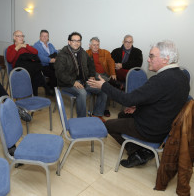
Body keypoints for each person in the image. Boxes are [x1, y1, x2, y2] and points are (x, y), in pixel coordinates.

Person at [87, 40, 189, 168]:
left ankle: (139, 152)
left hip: (151, 129)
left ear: (165, 58)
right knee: (122, 114)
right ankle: (141, 150)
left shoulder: (161, 79)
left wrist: (104, 86)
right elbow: (162, 101)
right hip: (165, 126)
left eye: (151, 56)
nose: (148, 59)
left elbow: (127, 99)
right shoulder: (182, 75)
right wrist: (137, 107)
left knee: (108, 125)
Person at [54, 32, 107, 120]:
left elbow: (91, 64)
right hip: (67, 83)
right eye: (74, 40)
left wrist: (91, 75)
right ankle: (82, 120)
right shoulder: (62, 55)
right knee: (82, 93)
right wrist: (73, 82)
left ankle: (97, 114)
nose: (76, 43)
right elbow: (59, 73)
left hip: (84, 81)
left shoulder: (82, 52)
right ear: (69, 42)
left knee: (103, 88)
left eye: (78, 41)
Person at [6, 30, 46, 96]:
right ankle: (41, 88)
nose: (21, 38)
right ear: (14, 38)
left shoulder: (26, 46)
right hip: (19, 67)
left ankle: (34, 94)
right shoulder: (11, 48)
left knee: (35, 71)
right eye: (19, 36)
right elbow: (9, 60)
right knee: (36, 70)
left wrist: (25, 46)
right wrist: (17, 48)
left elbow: (36, 52)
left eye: (22, 36)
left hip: (29, 66)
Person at [86, 37, 116, 117]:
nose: (96, 47)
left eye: (97, 45)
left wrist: (113, 73)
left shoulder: (105, 52)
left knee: (104, 83)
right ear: (90, 45)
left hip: (104, 74)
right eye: (94, 45)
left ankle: (105, 109)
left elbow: (111, 62)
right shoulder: (86, 53)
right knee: (100, 79)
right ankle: (104, 110)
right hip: (93, 76)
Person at [33, 30, 58, 94]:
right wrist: (50, 60)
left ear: (48, 37)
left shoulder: (50, 44)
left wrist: (56, 58)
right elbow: (40, 57)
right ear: (40, 37)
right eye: (43, 36)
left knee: (59, 71)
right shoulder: (36, 45)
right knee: (53, 73)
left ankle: (51, 86)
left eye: (46, 36)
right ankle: (52, 90)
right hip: (42, 65)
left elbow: (56, 52)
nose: (44, 37)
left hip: (52, 64)